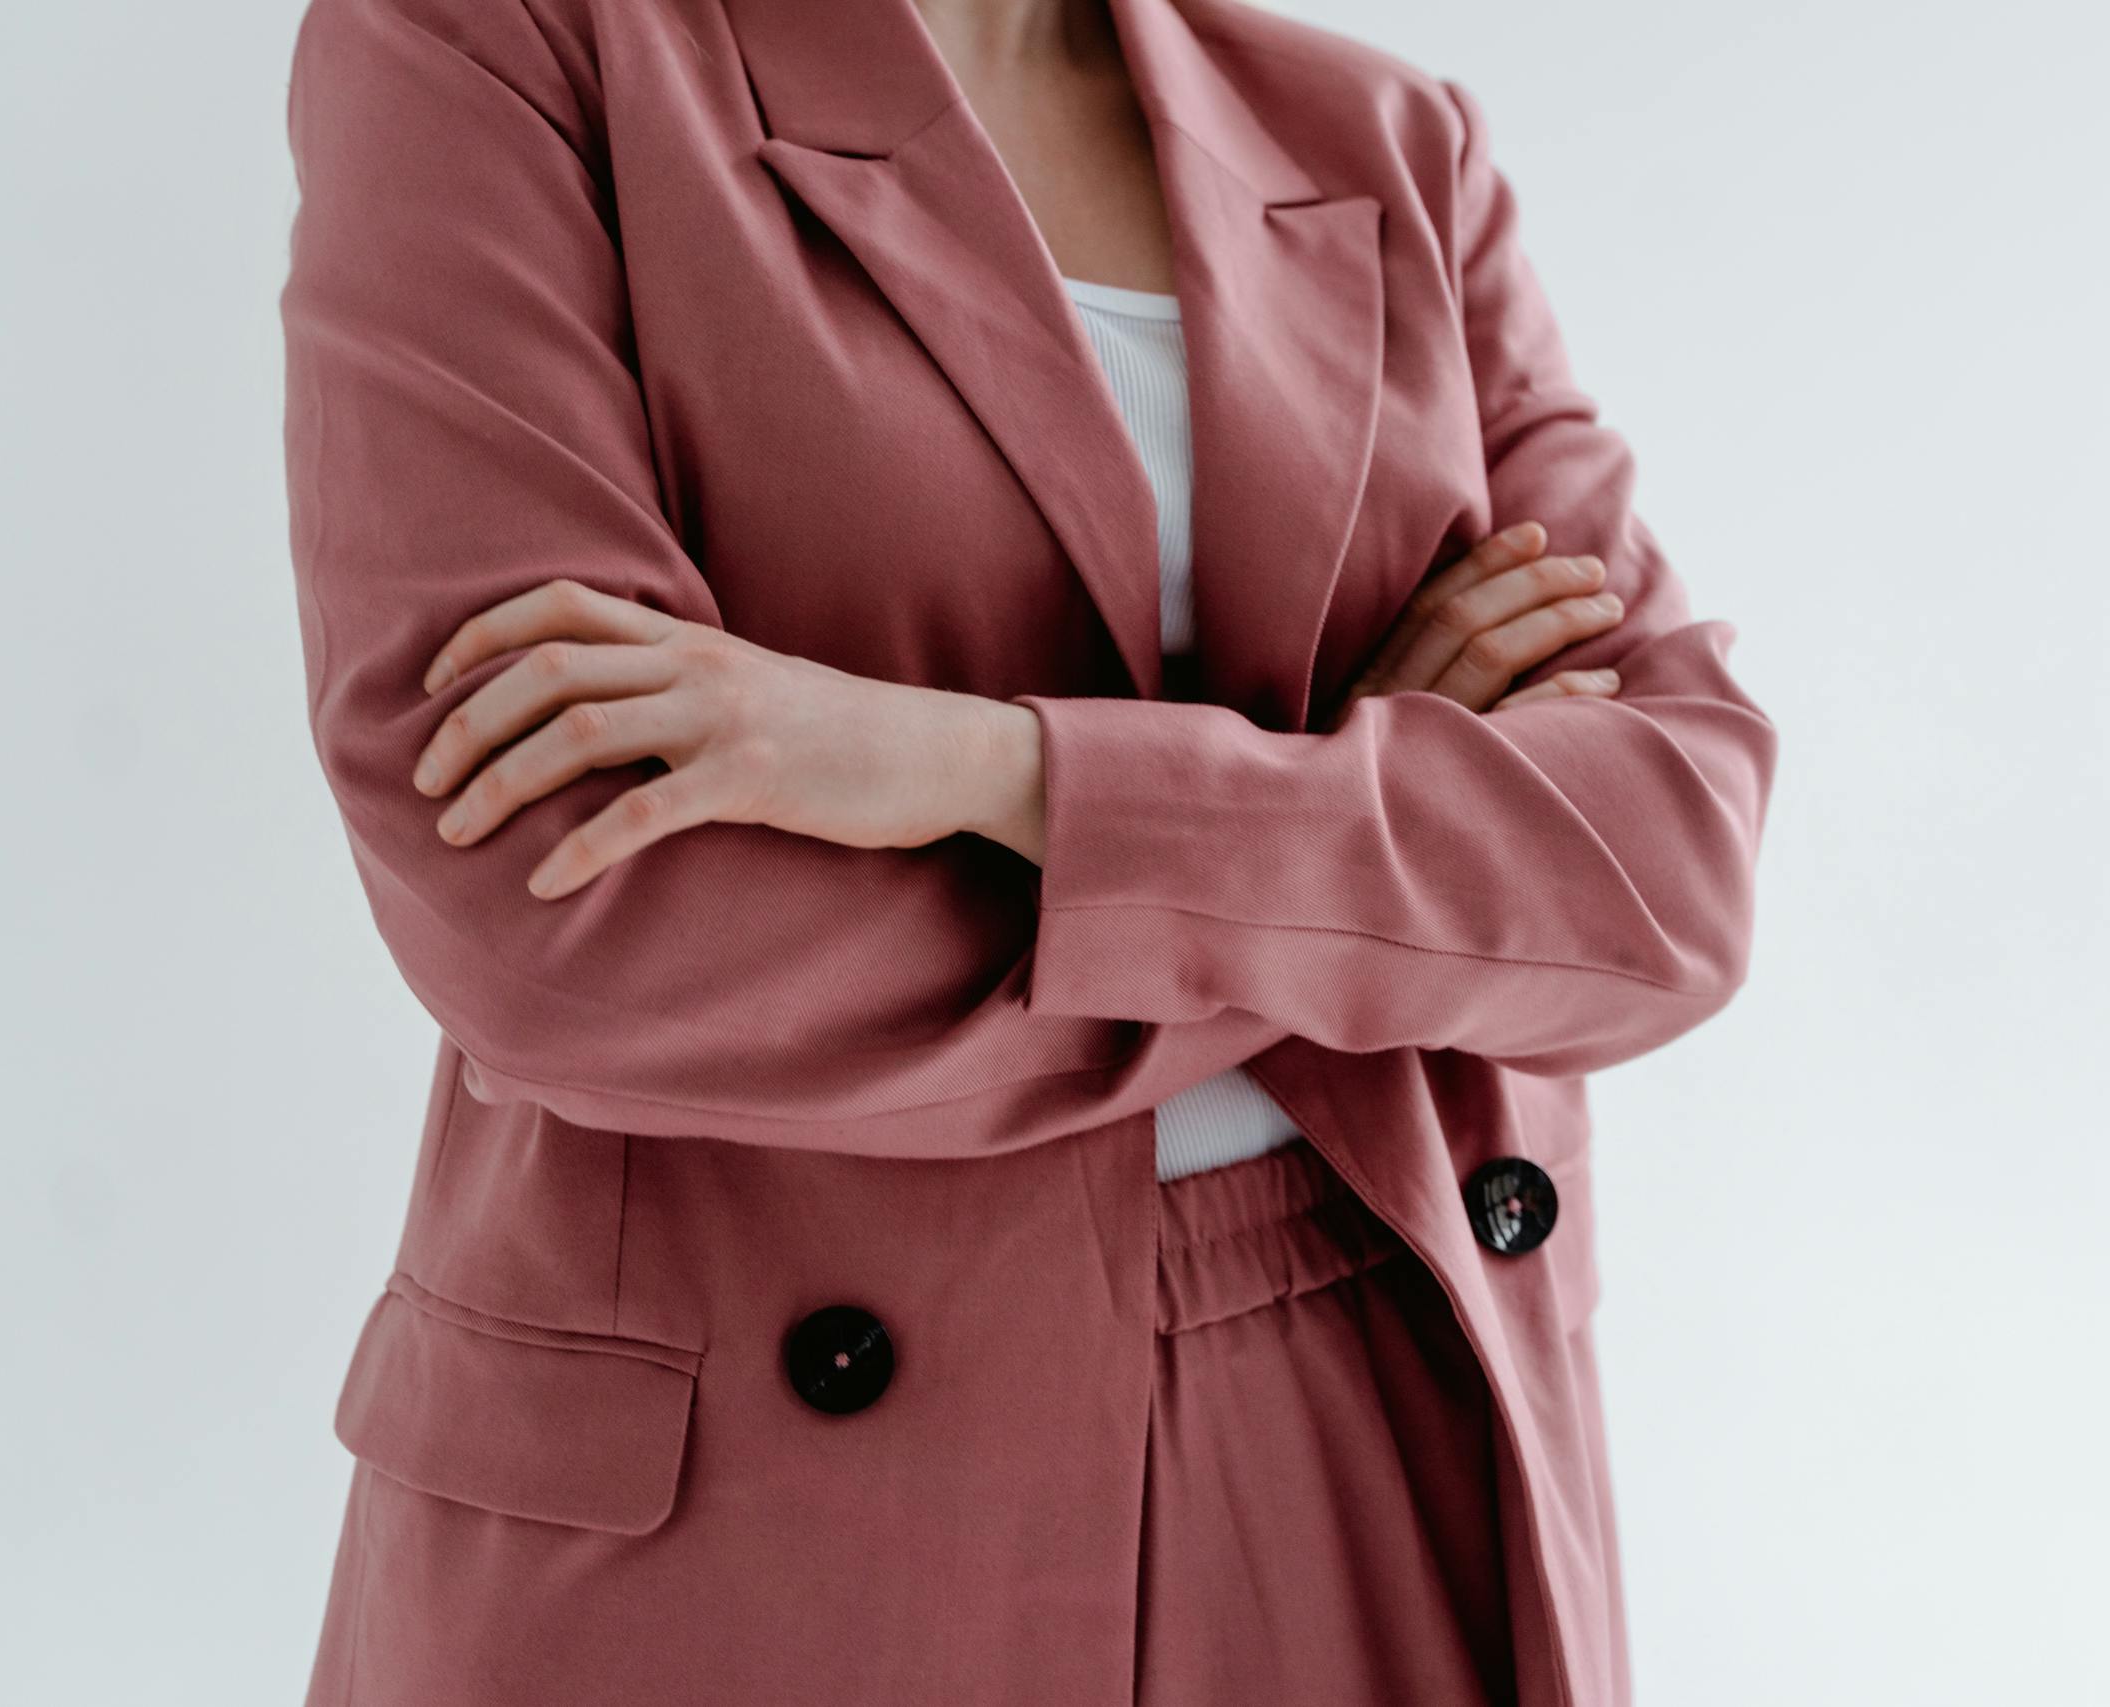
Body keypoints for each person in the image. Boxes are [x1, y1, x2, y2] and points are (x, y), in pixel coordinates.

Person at [279, 0, 1778, 1701]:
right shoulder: (502, 48)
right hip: (765, 1494)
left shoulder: (1382, 135)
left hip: (1370, 1389)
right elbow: (566, 910)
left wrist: (979, 768)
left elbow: (1666, 874)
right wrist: (1356, 845)